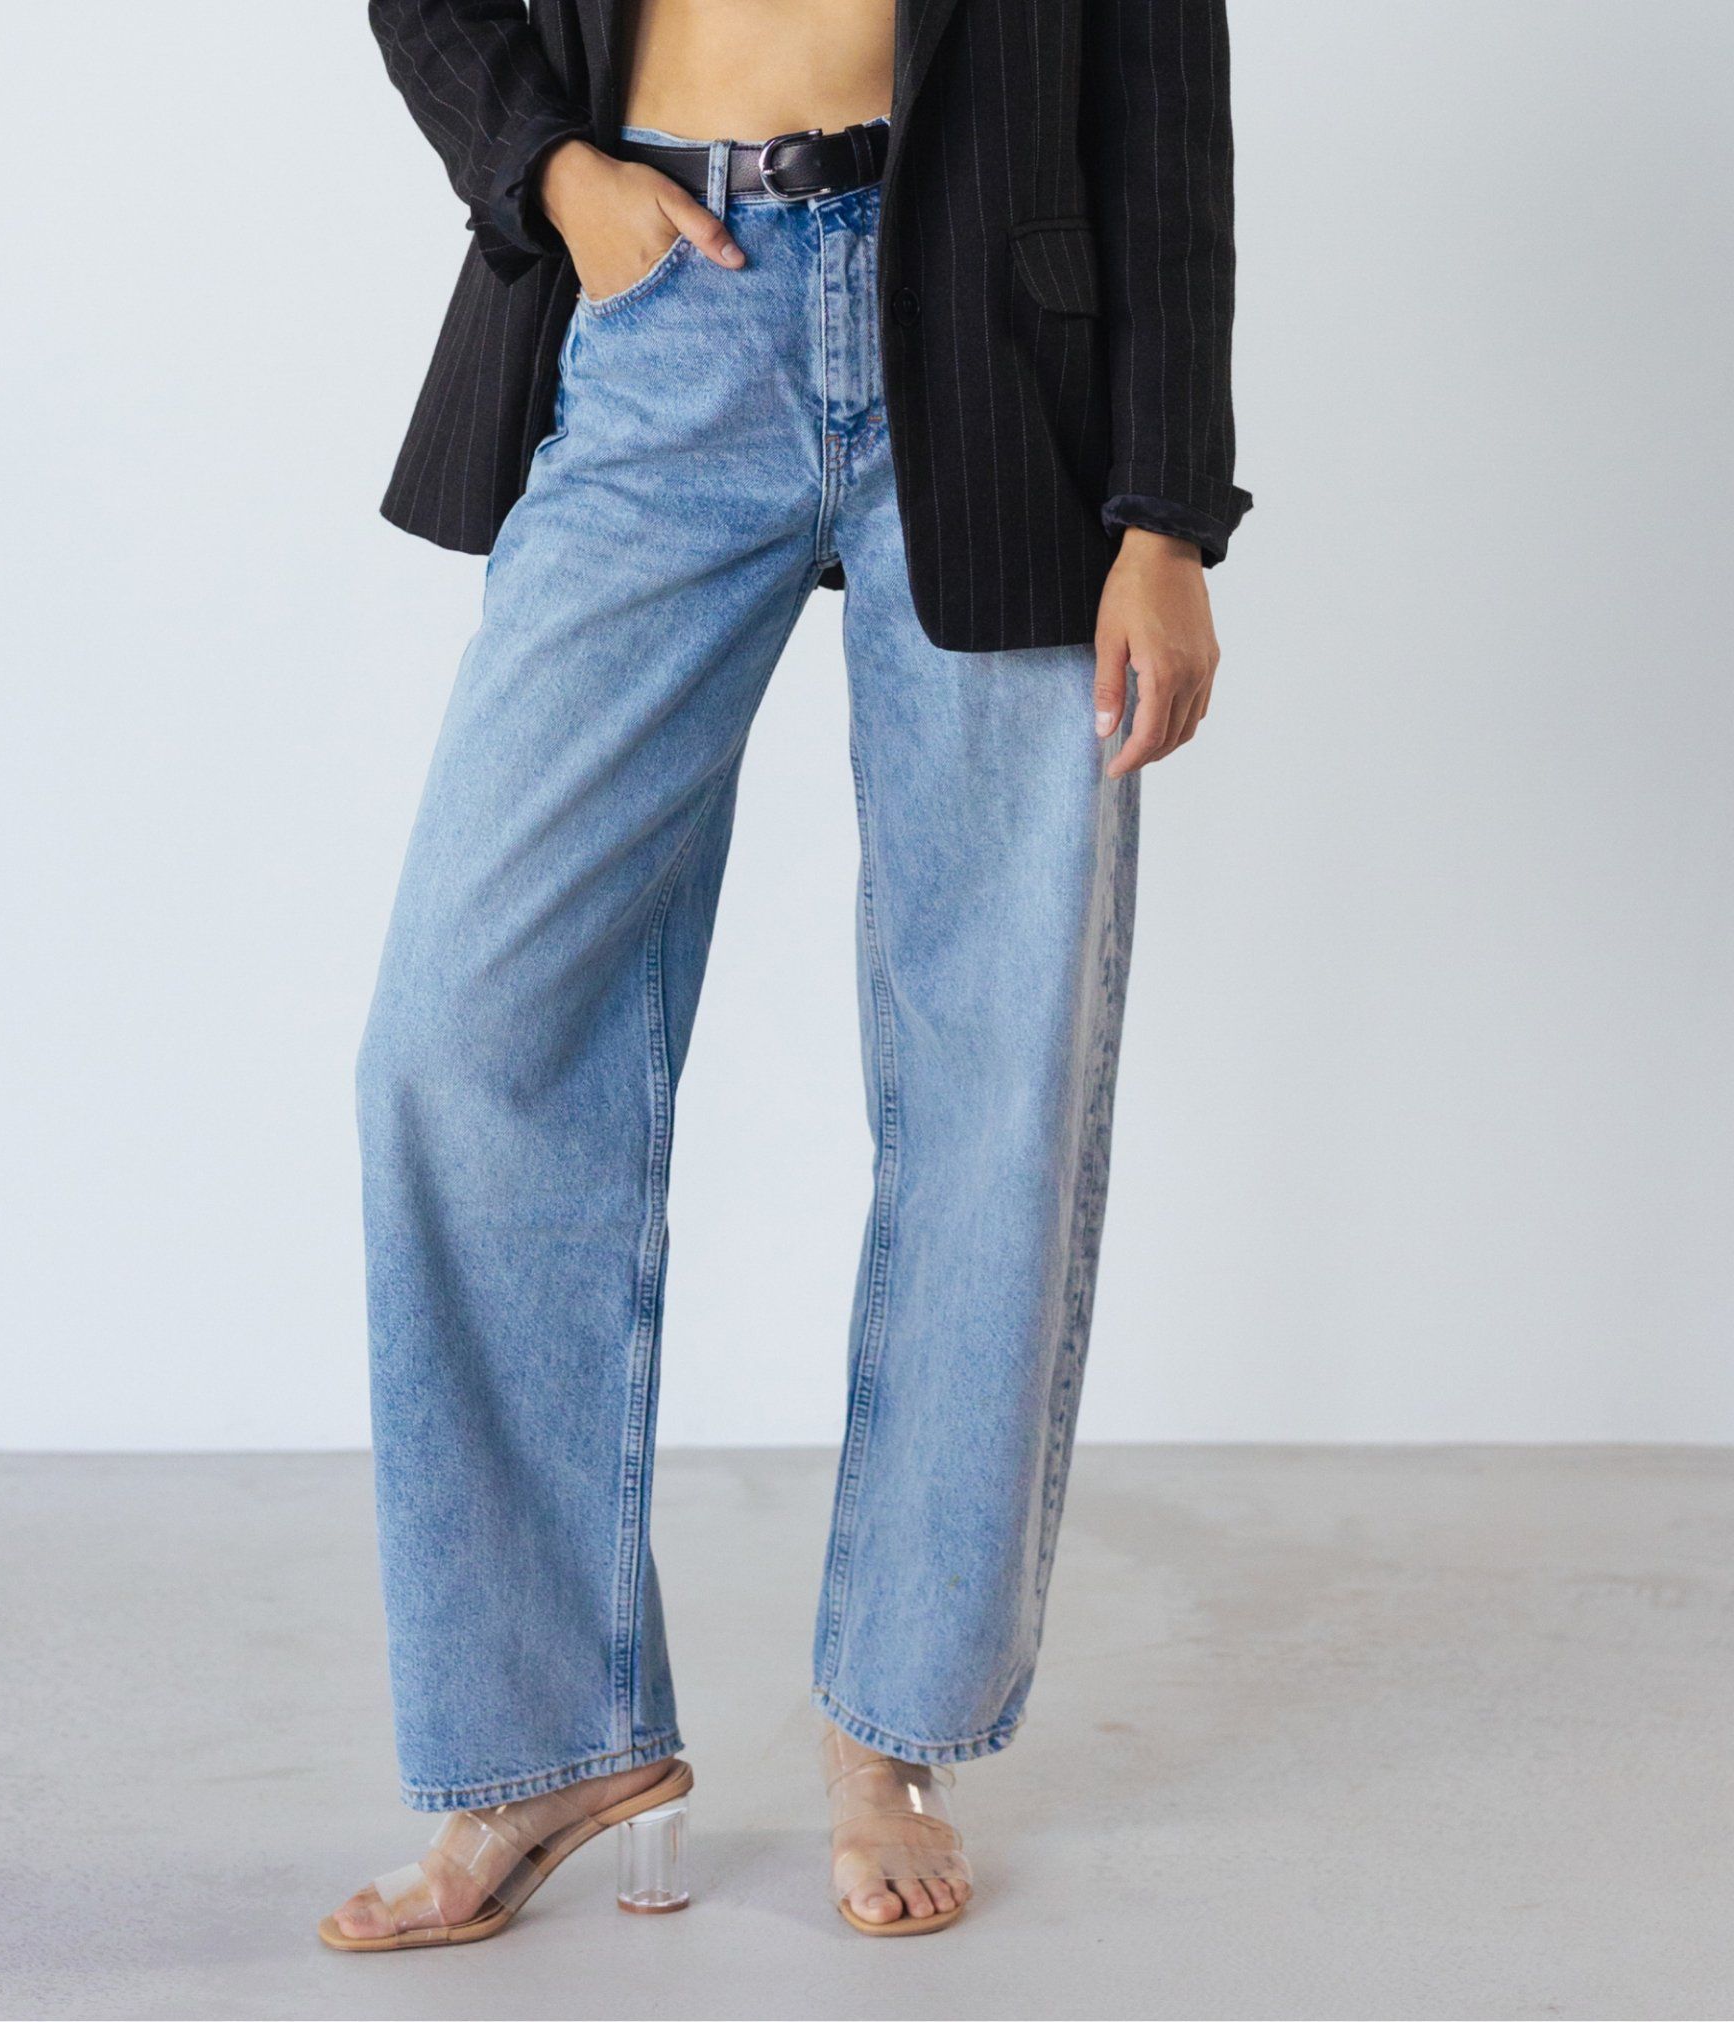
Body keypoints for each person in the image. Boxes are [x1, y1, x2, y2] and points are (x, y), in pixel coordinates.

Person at [321, 0, 1250, 1950]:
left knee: (997, 1070)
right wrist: (549, 172)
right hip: (664, 307)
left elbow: (1161, 102)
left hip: (994, 351)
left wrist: (1168, 511)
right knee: (460, 1038)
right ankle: (543, 1733)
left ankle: (893, 1728)